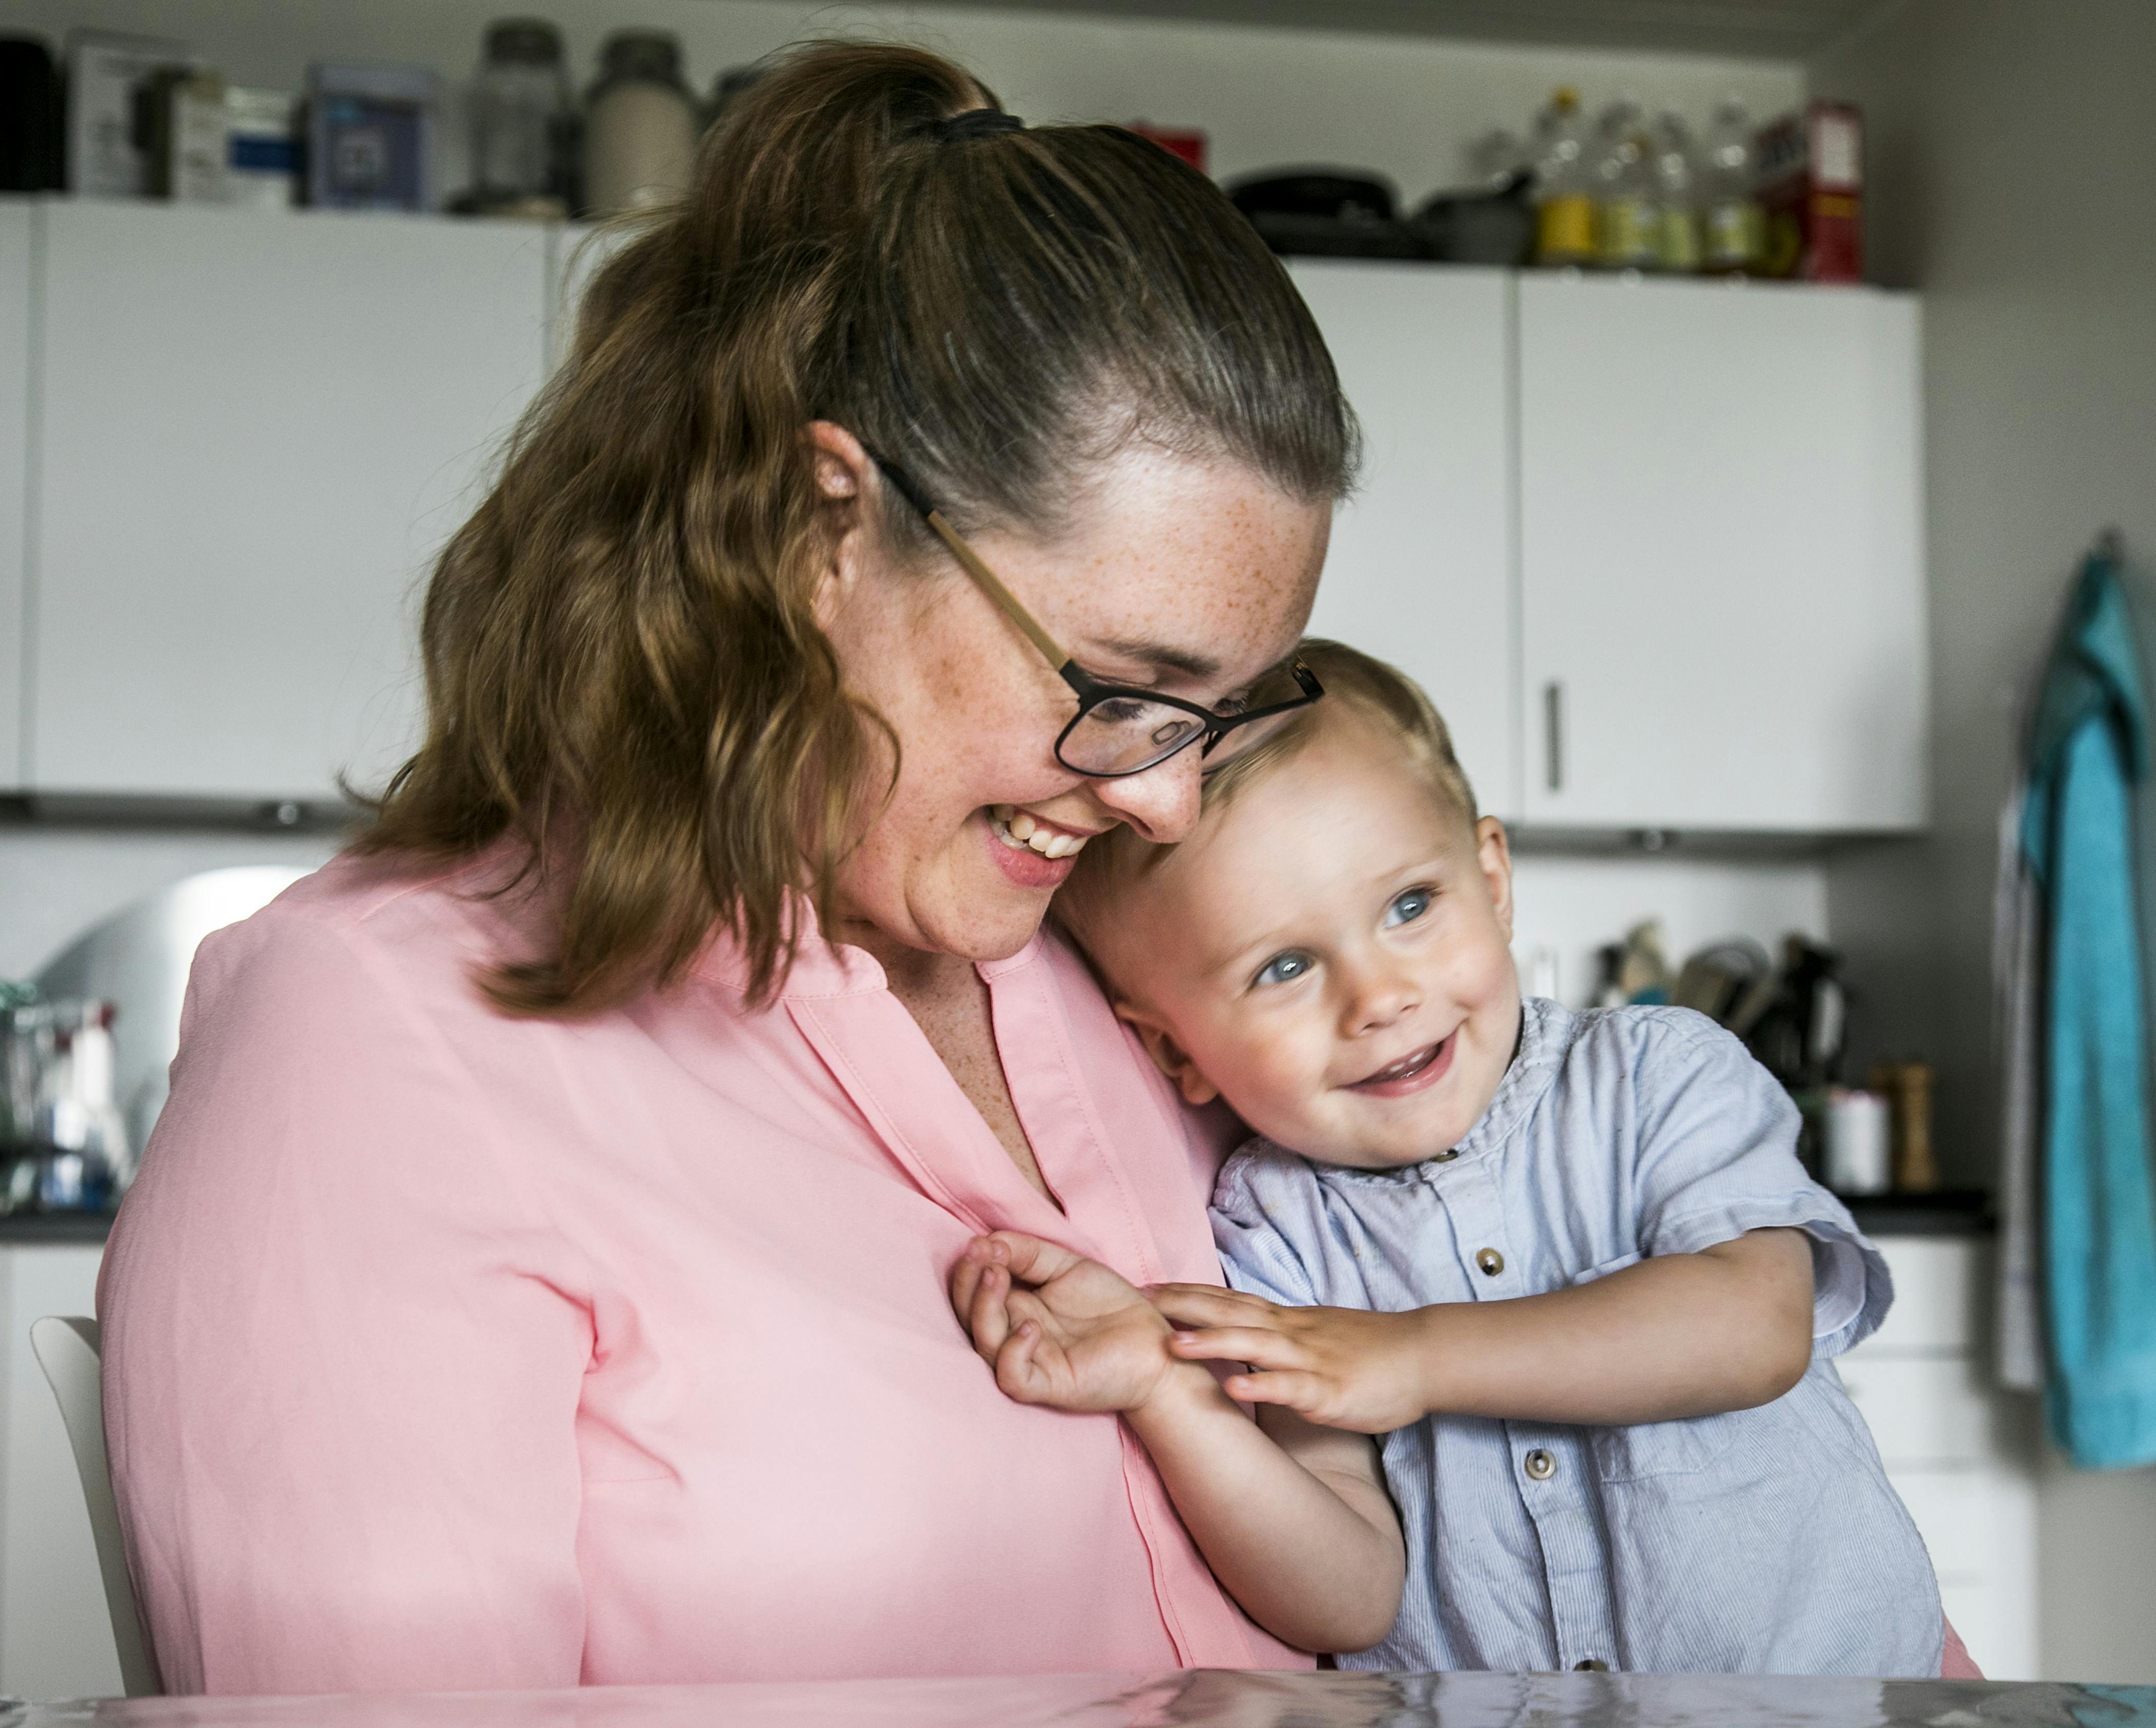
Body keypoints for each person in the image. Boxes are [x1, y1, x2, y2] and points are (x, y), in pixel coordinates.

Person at [96, 41, 1361, 1693]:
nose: (1172, 808)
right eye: (1122, 689)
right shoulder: (381, 1045)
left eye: (1225, 713)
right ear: (821, 525)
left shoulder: (1102, 995)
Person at [954, 639, 1969, 1677]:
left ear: (1492, 878)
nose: (1381, 997)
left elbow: (1754, 1326)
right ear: (1176, 1048)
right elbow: (1346, 1598)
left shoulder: (1656, 1075)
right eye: (1286, 966)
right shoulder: (1273, 1227)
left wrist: (1411, 1357)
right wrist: (1170, 1399)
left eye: (1409, 907)